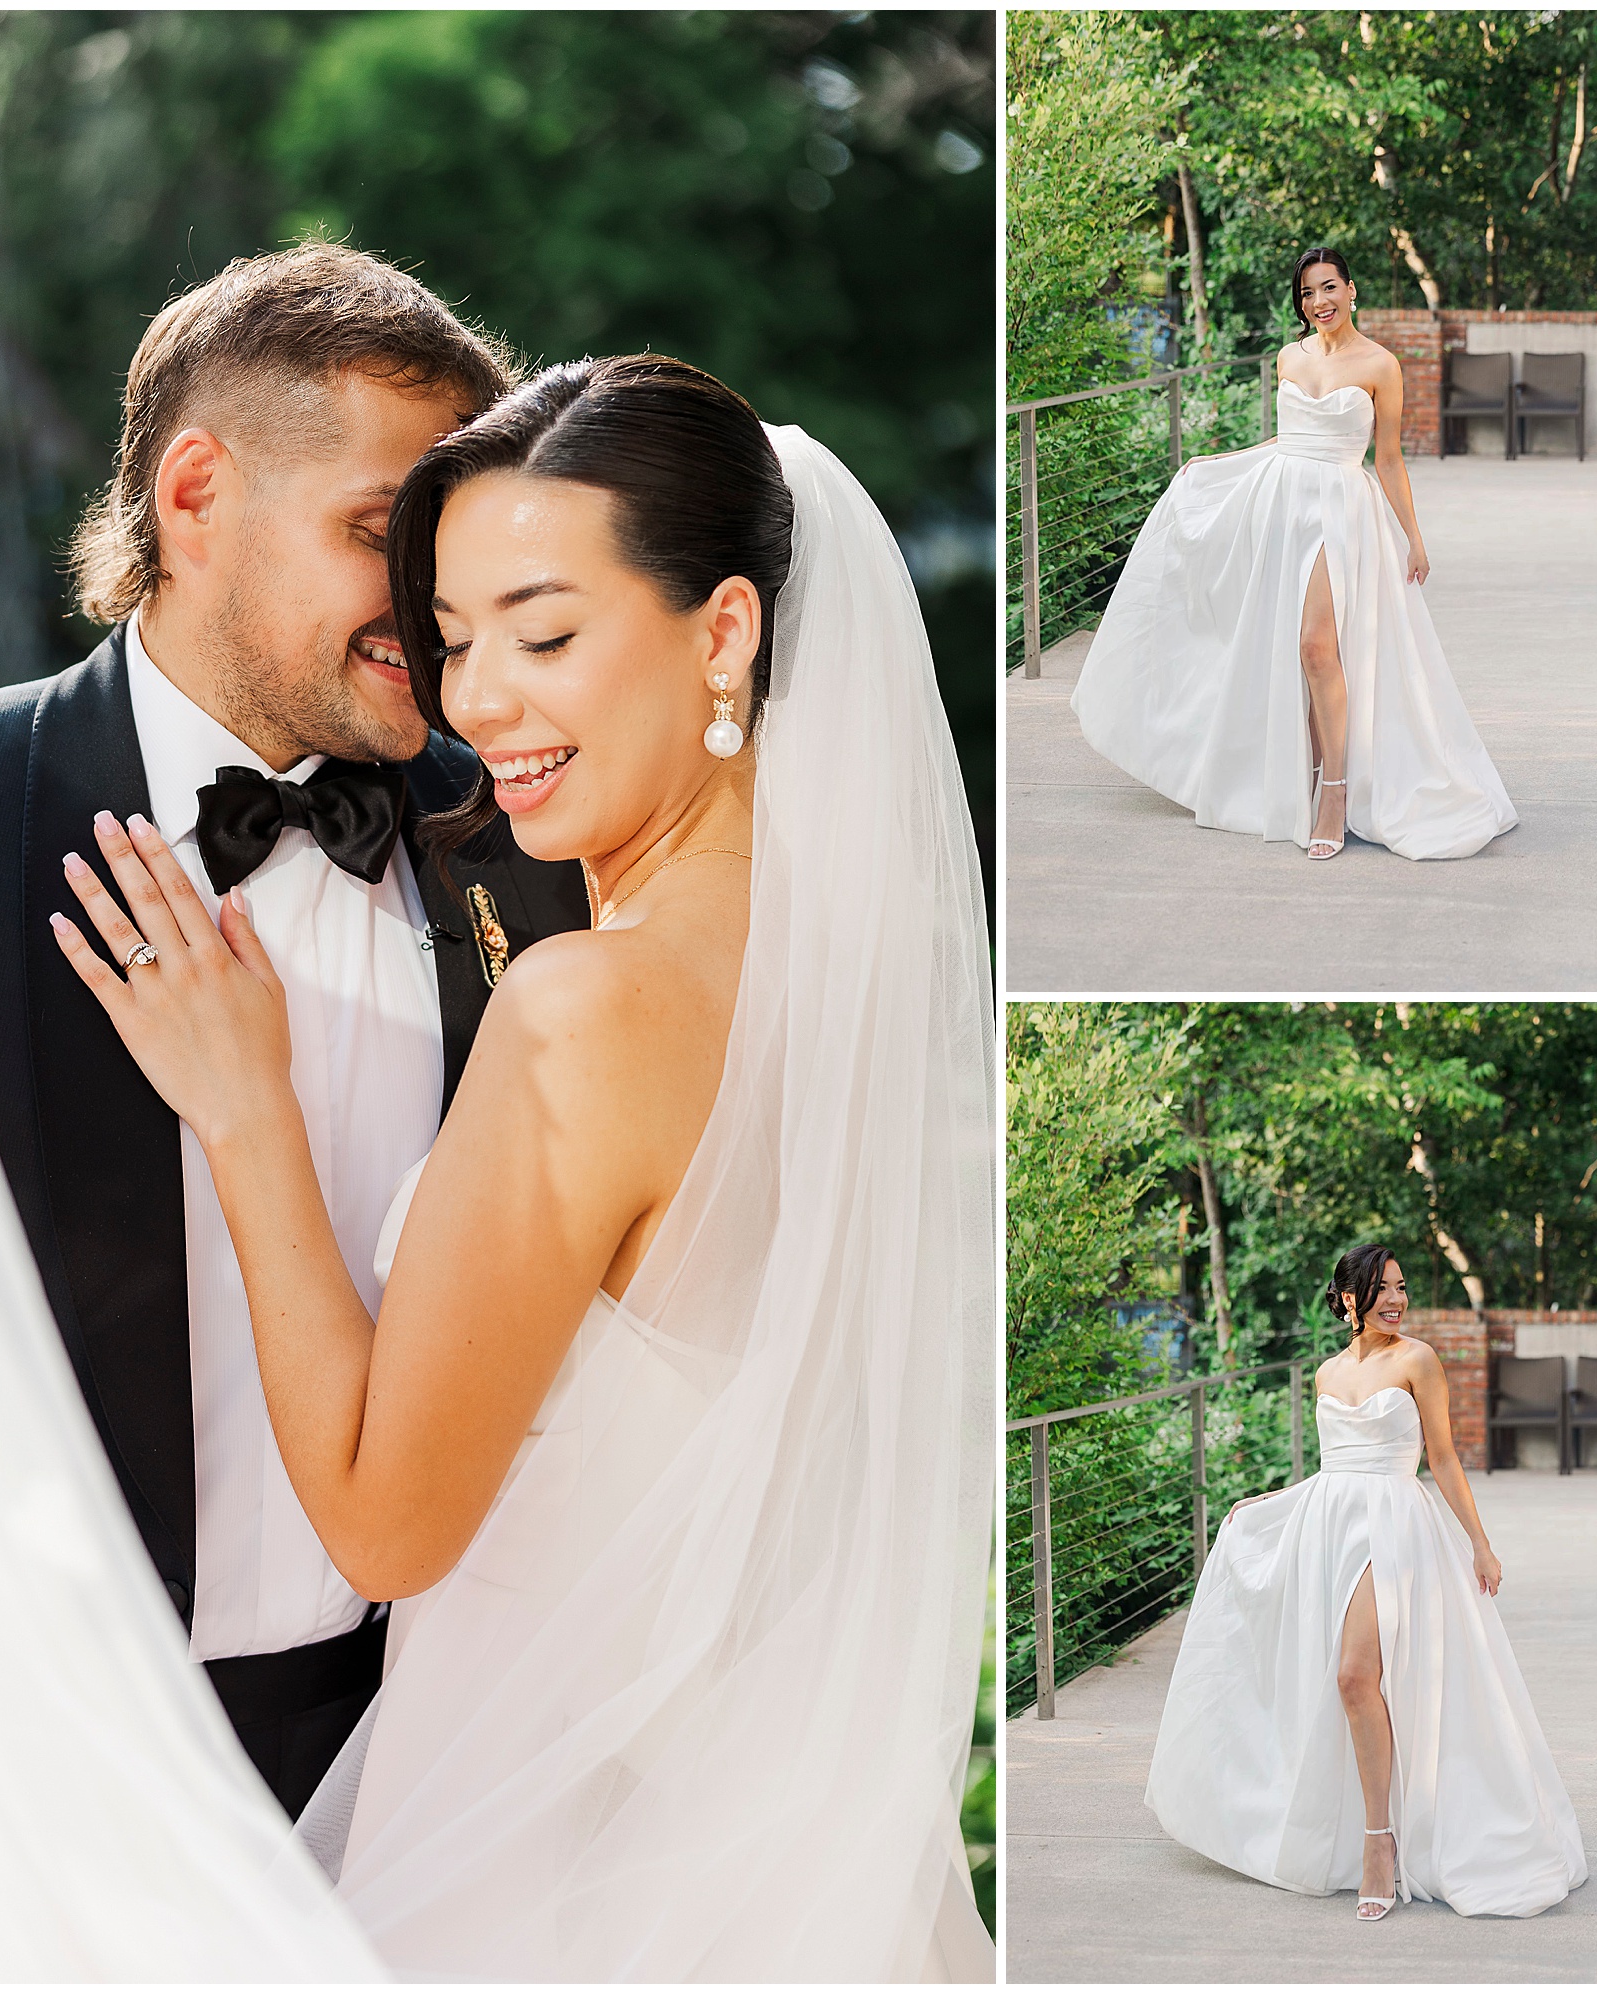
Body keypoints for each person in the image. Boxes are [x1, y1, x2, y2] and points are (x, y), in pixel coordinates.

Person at [49, 354, 995, 1979]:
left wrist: (250, 1111)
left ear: (723, 631)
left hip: (567, 1879)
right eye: (459, 635)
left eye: (544, 634)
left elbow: (385, 1526)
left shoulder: (588, 1009)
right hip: (788, 1864)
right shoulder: (862, 980)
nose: (478, 703)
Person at [0, 242, 591, 1821]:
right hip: (12, 1789)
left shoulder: (545, 849)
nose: (429, 614)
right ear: (195, 497)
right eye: (377, 537)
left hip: (436, 1773)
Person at [1145, 1245, 1586, 1921]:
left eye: (1402, 1288)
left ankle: (1380, 1842)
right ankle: (1361, 1829)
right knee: (1347, 1684)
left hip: (1395, 1527)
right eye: (1382, 1289)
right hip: (1332, 1525)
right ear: (1348, 1298)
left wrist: (1480, 1542)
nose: (1396, 1300)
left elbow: (1441, 1455)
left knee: (1356, 1675)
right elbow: (1333, 1468)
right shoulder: (1325, 1373)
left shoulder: (1418, 1360)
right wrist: (1267, 1504)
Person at [1071, 245, 1518, 862]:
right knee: (1292, 648)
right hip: (1283, 501)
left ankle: (1334, 787)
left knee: (1316, 645)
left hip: (1340, 509)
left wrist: (1413, 535)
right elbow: (1289, 436)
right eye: (1308, 294)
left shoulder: (1381, 365)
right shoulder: (1289, 356)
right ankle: (1304, 773)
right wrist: (1219, 463)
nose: (1319, 303)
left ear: (1352, 290)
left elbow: (1386, 456)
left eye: (1329, 288)